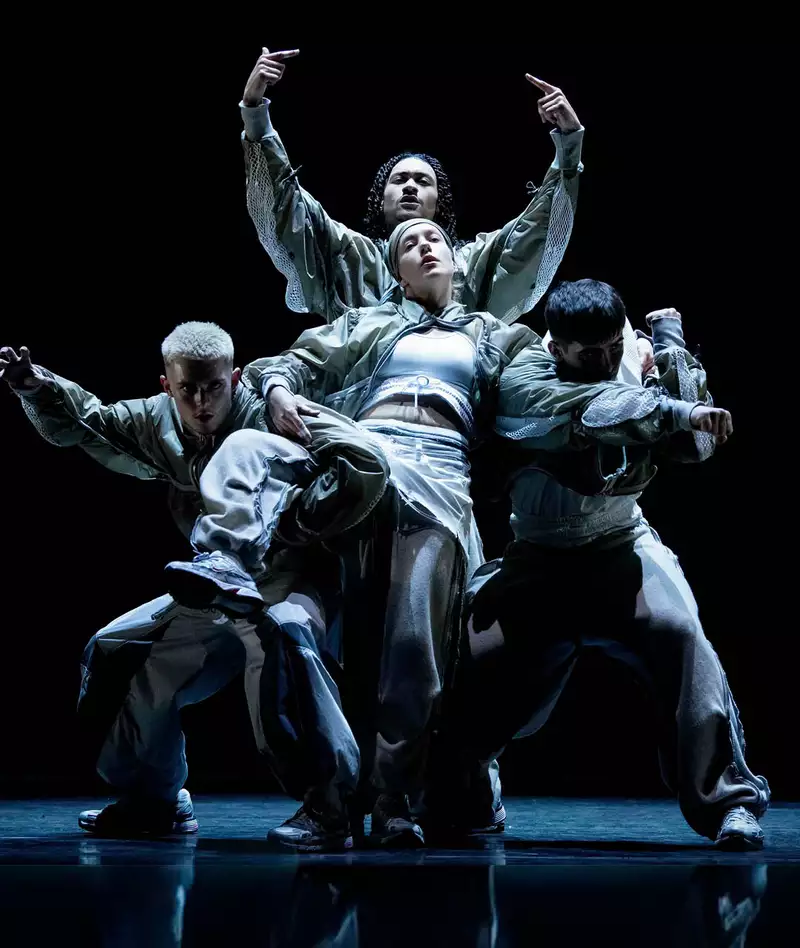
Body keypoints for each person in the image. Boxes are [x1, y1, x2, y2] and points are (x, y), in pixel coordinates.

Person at [165, 219, 533, 849]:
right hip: (356, 455)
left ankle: (392, 798)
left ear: (456, 262)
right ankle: (224, 556)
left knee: (412, 645)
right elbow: (285, 362)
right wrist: (279, 390)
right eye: (407, 242)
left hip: (436, 481)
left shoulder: (498, 336)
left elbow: (549, 390)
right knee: (250, 443)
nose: (423, 244)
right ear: (394, 272)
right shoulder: (365, 324)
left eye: (435, 239)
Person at [0, 323, 386, 837]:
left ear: (236, 377)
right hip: (211, 587)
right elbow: (93, 420)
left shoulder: (269, 416)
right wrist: (40, 387)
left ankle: (330, 804)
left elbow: (352, 468)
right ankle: (153, 797)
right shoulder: (157, 422)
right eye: (188, 391)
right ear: (167, 386)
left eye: (214, 387)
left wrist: (297, 518)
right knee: (122, 650)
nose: (202, 402)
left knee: (286, 643)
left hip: (287, 579)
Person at [428, 280, 770, 849]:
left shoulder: (630, 357)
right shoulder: (526, 377)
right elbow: (595, 414)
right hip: (539, 562)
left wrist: (671, 345)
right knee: (471, 669)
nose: (608, 363)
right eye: (592, 355)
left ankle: (727, 800)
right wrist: (673, 407)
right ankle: (468, 793)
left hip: (620, 547)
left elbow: (696, 445)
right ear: (556, 347)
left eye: (615, 348)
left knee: (682, 635)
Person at [239, 47, 584, 326]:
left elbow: (534, 233)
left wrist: (568, 144)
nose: (409, 188)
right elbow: (287, 206)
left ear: (439, 203)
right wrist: (255, 112)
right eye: (399, 180)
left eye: (423, 182)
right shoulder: (349, 254)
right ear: (380, 198)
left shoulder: (470, 263)